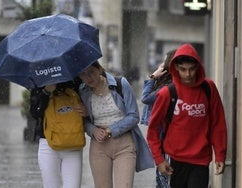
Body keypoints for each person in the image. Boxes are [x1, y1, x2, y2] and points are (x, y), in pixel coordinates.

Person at [147, 43, 227, 188]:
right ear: (176, 68)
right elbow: (152, 129)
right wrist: (159, 159)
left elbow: (218, 123)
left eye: (191, 69)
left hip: (201, 159)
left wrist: (220, 155)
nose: (188, 74)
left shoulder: (208, 89)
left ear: (198, 67)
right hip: (175, 160)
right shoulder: (167, 93)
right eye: (183, 69)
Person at [78, 61, 154, 188]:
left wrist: (110, 130)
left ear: (100, 69)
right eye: (83, 74)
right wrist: (93, 130)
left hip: (124, 145)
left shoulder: (120, 84)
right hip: (99, 146)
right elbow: (84, 121)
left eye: (91, 72)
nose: (88, 77)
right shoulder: (83, 91)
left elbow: (134, 116)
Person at [29, 80, 87, 188]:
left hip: (73, 142)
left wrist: (87, 111)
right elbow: (35, 113)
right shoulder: (41, 80)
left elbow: (90, 105)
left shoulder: (76, 79)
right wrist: (46, 92)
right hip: (48, 143)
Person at [141, 49, 176, 188]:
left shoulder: (168, 86)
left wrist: (152, 77)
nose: (161, 64)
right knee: (162, 176)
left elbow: (145, 97)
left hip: (164, 134)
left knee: (164, 177)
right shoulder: (167, 84)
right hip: (163, 134)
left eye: (164, 60)